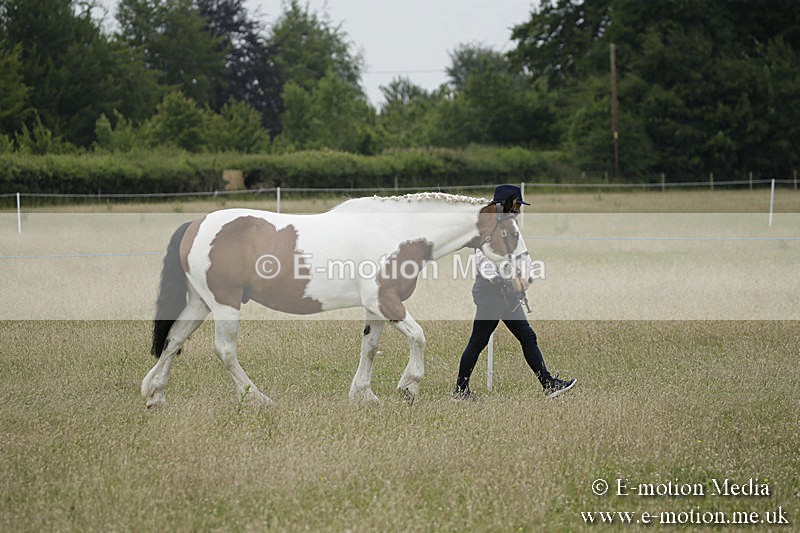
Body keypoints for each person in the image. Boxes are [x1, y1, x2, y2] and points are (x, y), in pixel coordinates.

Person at [453, 185, 576, 400]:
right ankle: (460, 391)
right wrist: (511, 282)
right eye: (517, 204)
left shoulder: (511, 226)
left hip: (507, 296)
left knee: (527, 337)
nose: (519, 209)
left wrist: (527, 277)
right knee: (478, 342)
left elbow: (524, 256)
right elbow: (485, 264)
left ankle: (548, 384)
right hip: (491, 295)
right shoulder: (489, 229)